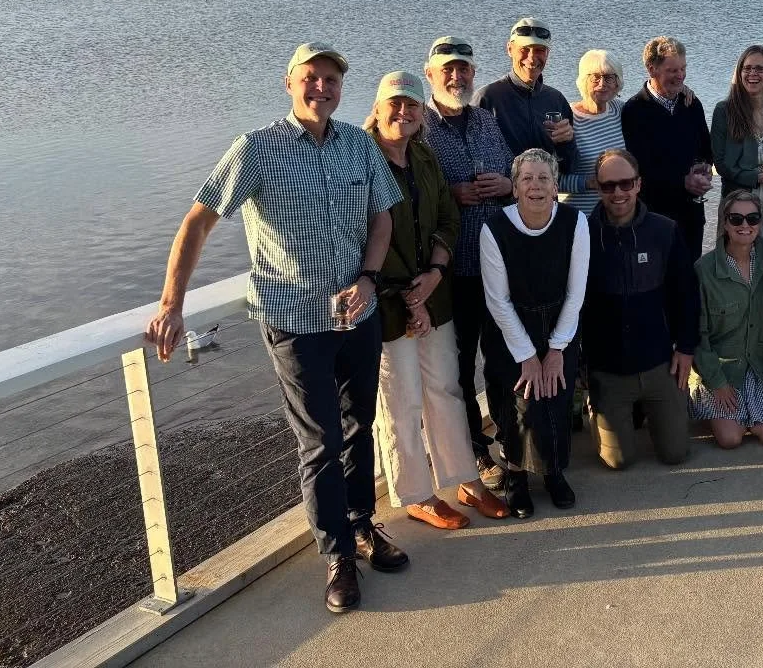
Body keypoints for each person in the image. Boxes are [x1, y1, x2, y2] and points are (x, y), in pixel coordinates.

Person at [144, 42, 407, 614]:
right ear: (290, 83)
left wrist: (368, 277)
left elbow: (382, 216)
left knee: (361, 424)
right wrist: (171, 302)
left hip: (356, 313)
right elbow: (200, 219)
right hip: (293, 321)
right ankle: (336, 555)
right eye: (311, 78)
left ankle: (363, 526)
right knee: (320, 442)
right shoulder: (256, 148)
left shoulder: (360, 146)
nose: (322, 88)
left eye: (332, 80)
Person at [365, 71, 507, 529]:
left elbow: (447, 216)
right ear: (379, 107)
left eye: (410, 104)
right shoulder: (361, 158)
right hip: (390, 304)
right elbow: (362, 236)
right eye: (395, 103)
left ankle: (465, 477)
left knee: (446, 388)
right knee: (401, 399)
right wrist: (412, 296)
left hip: (435, 293)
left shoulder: (423, 156)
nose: (404, 112)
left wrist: (437, 270)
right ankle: (416, 493)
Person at [420, 36, 513, 492]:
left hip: (495, 266)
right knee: (456, 367)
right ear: (431, 75)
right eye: (448, 70)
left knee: (500, 362)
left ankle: (511, 445)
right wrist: (450, 195)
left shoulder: (485, 120)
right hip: (449, 271)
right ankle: (473, 452)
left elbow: (513, 170)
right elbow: (403, 188)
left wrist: (507, 183)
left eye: (464, 69)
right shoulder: (417, 124)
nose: (457, 77)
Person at [478, 148, 590, 515]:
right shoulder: (494, 228)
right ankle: (516, 476)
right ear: (514, 188)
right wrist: (526, 355)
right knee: (517, 405)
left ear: (556, 186)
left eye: (544, 178)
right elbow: (498, 300)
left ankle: (554, 472)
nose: (535, 186)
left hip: (560, 324)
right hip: (511, 328)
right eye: (527, 178)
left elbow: (576, 293)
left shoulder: (576, 222)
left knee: (555, 398)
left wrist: (556, 349)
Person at [583, 149, 700, 468]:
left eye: (625, 183)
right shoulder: (582, 234)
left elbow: (686, 295)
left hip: (658, 364)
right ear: (597, 187)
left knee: (676, 454)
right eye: (608, 186)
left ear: (638, 184)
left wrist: (686, 349)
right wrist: (584, 368)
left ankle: (654, 411)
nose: (618, 193)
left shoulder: (665, 231)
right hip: (608, 369)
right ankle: (596, 406)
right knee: (617, 461)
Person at [690, 190, 763, 448]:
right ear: (724, 223)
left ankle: (747, 413)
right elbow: (697, 333)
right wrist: (717, 382)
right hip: (724, 367)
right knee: (730, 439)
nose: (745, 225)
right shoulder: (704, 270)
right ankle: (722, 407)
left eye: (752, 218)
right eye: (736, 219)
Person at [620, 36, 713, 260]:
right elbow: (639, 168)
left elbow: (706, 151)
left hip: (691, 214)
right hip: (654, 215)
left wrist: (705, 170)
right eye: (672, 70)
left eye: (683, 68)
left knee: (689, 279)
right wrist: (683, 182)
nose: (680, 75)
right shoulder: (634, 111)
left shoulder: (692, 104)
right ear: (652, 69)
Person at [475, 17, 582, 176]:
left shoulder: (556, 100)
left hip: (544, 196)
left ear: (548, 53)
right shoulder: (487, 98)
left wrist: (567, 142)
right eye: (524, 49)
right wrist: (509, 185)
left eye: (539, 50)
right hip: (501, 199)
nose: (532, 58)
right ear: (510, 49)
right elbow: (475, 160)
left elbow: (569, 168)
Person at [710, 45, 763, 236]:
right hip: (738, 202)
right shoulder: (724, 111)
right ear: (739, 72)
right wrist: (758, 178)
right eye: (747, 68)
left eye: (759, 68)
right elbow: (721, 164)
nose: (753, 73)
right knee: (737, 261)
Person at [558, 49, 627, 215]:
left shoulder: (621, 111)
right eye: (595, 77)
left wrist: (681, 91)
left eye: (609, 77)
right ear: (583, 80)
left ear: (618, 83)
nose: (602, 84)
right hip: (579, 218)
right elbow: (550, 179)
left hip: (617, 217)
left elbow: (653, 107)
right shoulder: (566, 119)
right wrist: (589, 183)